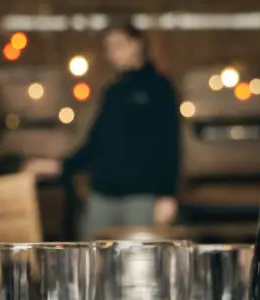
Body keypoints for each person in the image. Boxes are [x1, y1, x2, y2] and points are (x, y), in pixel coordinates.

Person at [62, 21, 181, 239]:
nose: (112, 53)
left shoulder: (159, 88)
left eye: (118, 45)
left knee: (139, 263)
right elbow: (97, 141)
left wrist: (167, 194)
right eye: (108, 47)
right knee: (92, 260)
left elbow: (169, 142)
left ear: (137, 44)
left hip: (141, 197)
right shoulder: (113, 91)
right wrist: (63, 166)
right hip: (102, 194)